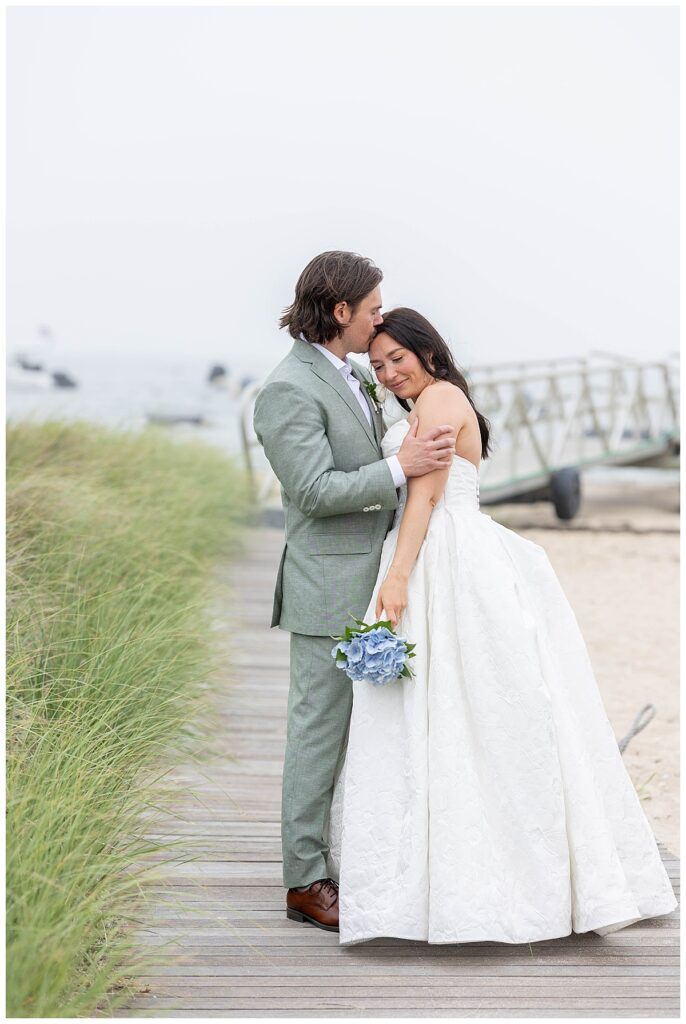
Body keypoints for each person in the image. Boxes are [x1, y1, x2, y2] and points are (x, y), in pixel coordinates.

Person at [324, 307, 678, 945]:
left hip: (443, 554)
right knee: (449, 706)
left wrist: (396, 577)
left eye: (397, 358)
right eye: (376, 367)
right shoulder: (431, 402)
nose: (388, 373)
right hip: (437, 548)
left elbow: (427, 496)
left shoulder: (440, 398)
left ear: (427, 351)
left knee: (465, 705)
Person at [253, 253, 456, 932]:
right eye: (372, 308)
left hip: (371, 582)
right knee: (318, 735)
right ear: (341, 312)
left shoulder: (347, 377)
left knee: (363, 734)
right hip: (325, 585)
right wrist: (399, 466)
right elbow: (312, 492)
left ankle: (347, 860)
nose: (378, 318)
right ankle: (304, 881)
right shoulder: (289, 390)